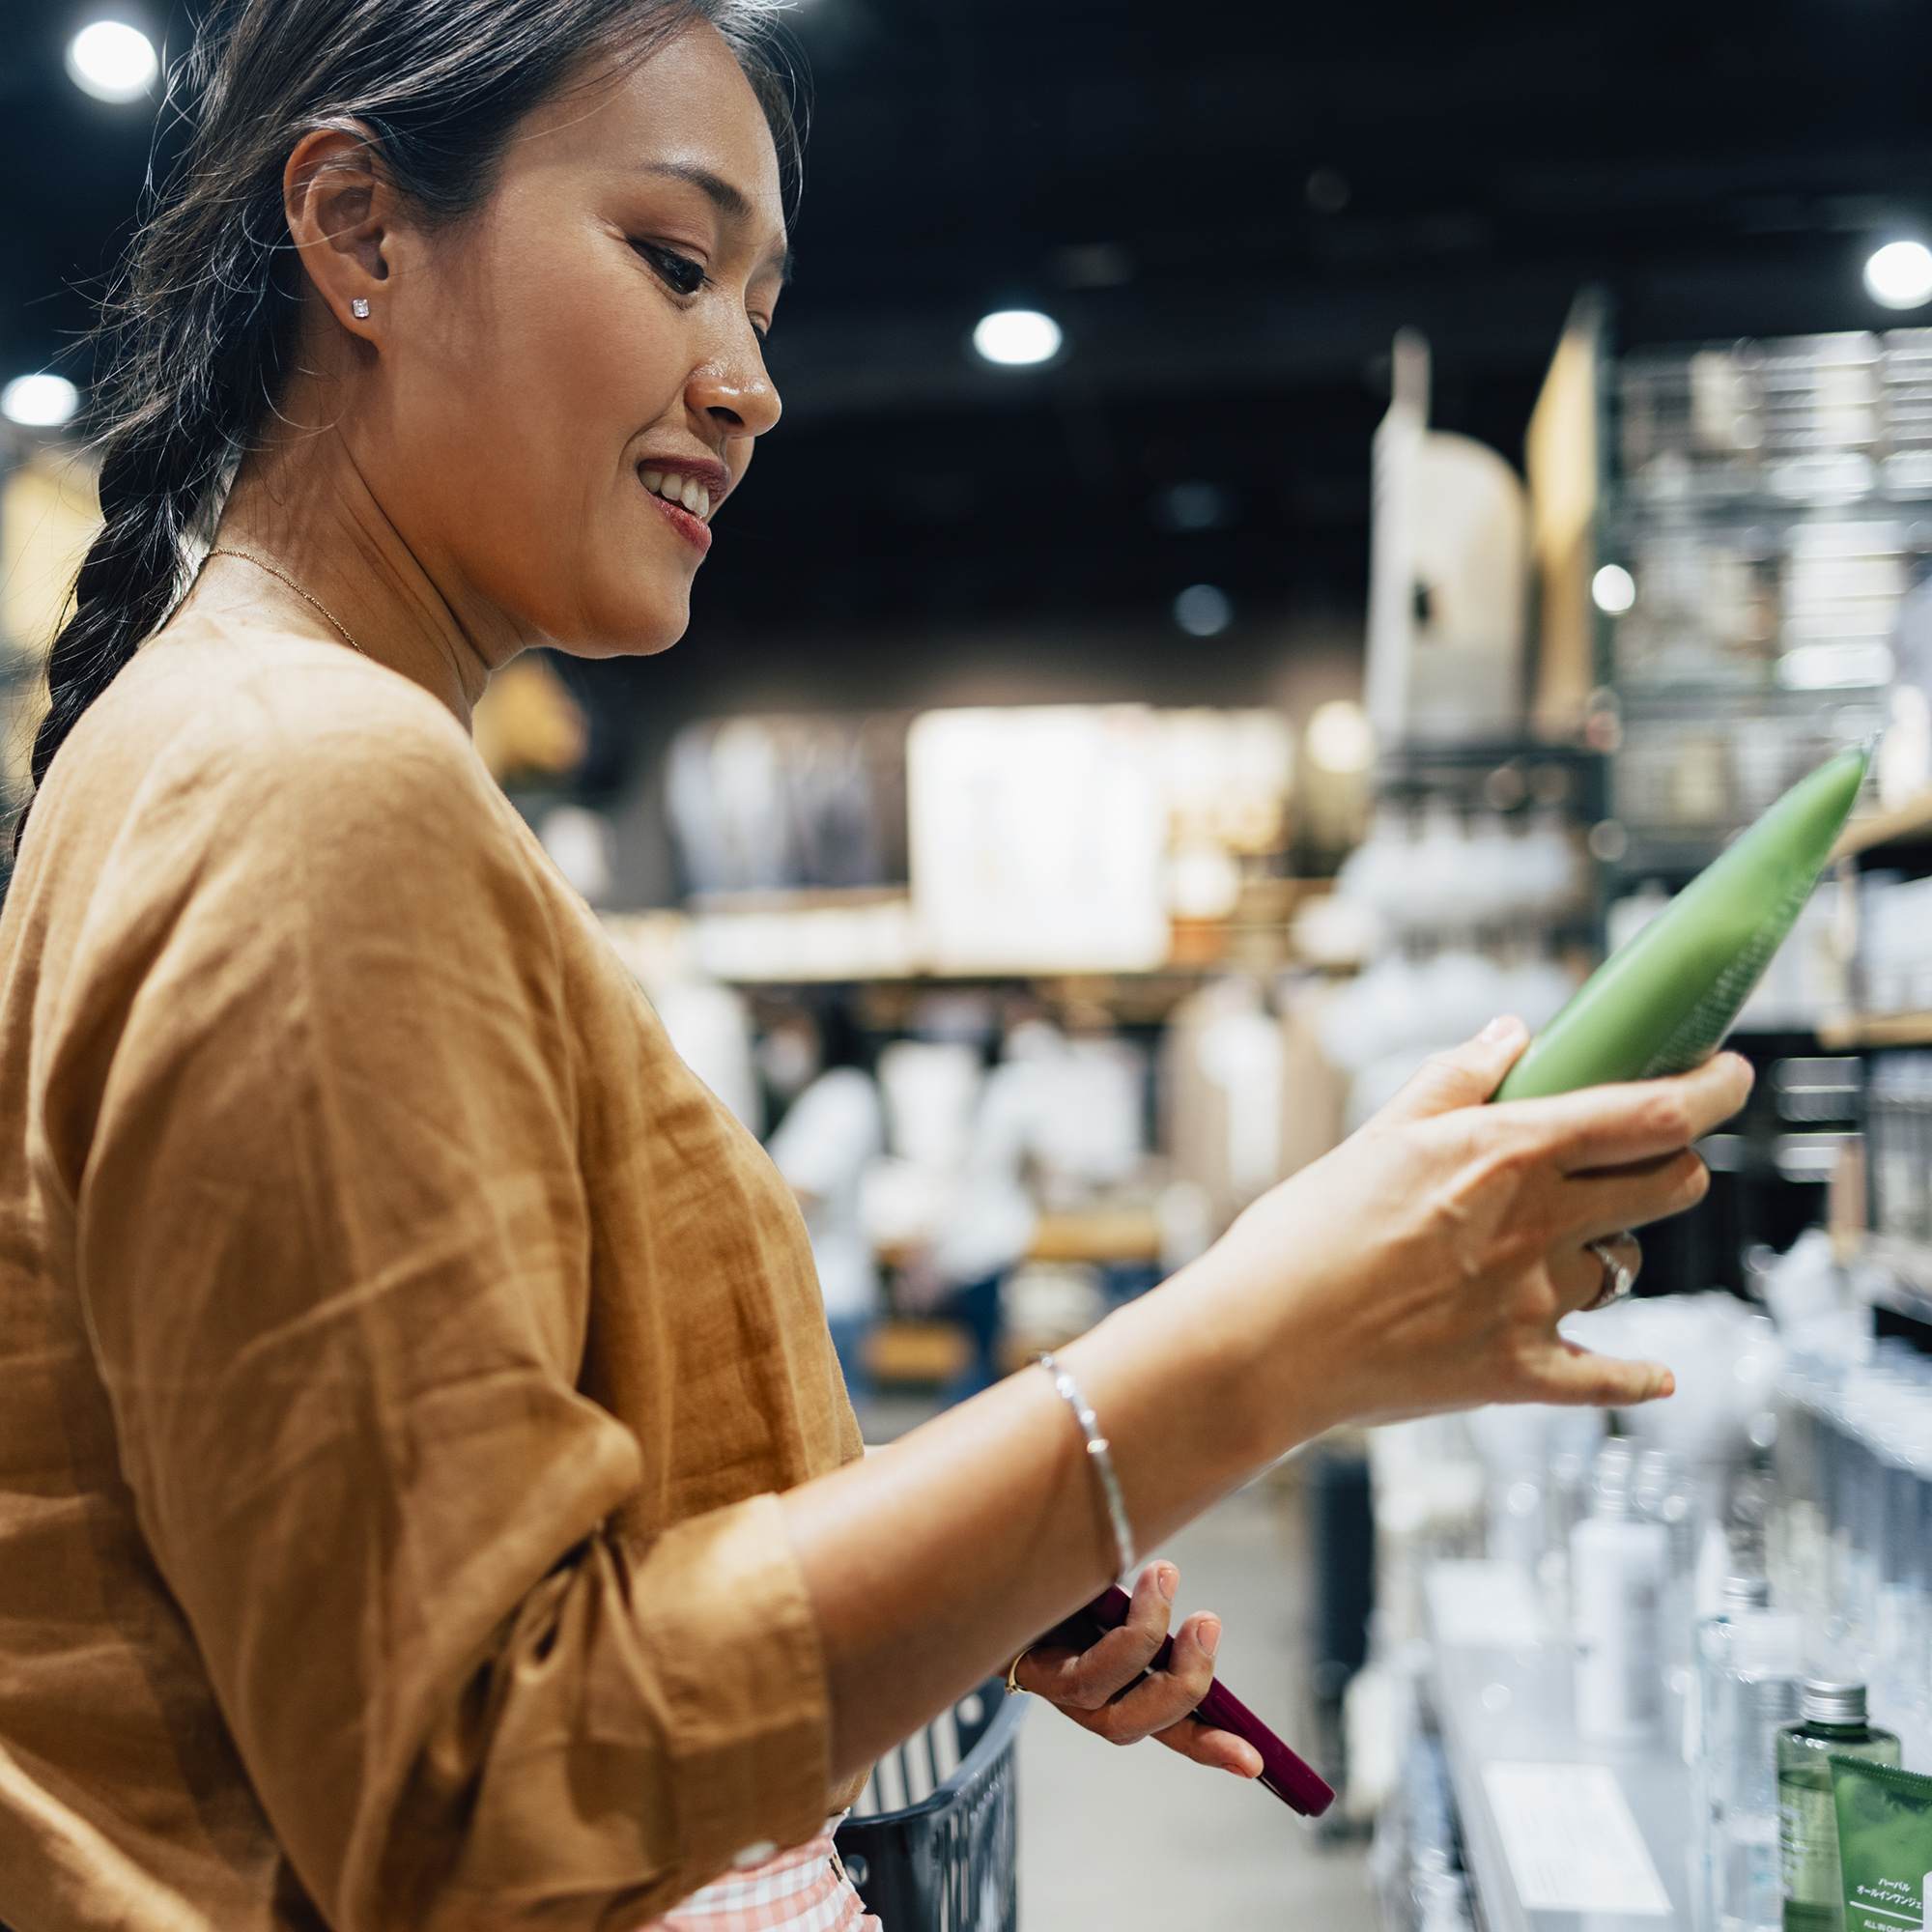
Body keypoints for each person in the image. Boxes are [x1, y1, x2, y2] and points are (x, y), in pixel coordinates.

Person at [0, 2, 1750, 1928]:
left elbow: (438, 1554)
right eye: (672, 262)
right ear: (358, 232)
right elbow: (470, 1779)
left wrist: (969, 1552)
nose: (744, 380)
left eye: (758, 301)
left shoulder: (247, 746)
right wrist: (1243, 1349)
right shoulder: (309, 780)